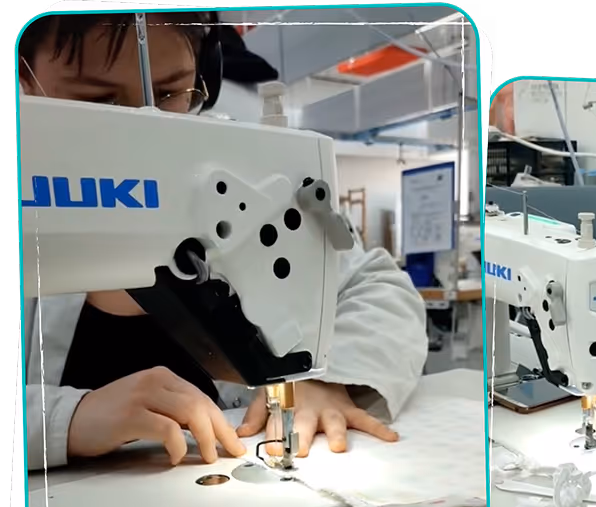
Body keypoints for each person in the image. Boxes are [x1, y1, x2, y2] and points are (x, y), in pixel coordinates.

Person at [19, 11, 428, 470]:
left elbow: (380, 286)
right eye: (98, 99)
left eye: (172, 92)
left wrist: (327, 380)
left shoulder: (239, 177)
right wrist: (64, 420)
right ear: (25, 84)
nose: (144, 130)